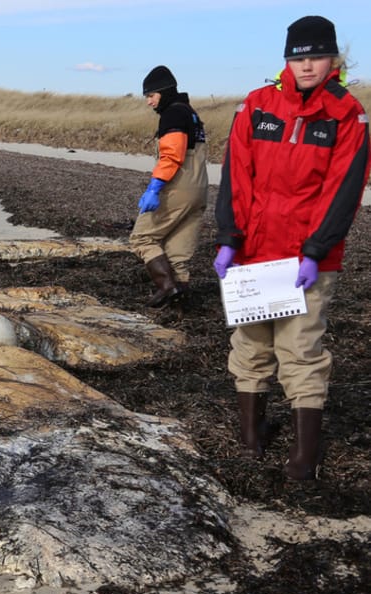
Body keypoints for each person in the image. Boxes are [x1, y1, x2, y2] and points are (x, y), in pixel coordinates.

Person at [213, 15, 371, 480]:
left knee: (301, 349)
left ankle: (303, 457)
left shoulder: (347, 115)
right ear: (287, 60)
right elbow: (237, 178)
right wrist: (228, 239)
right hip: (253, 252)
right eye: (297, 57)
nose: (306, 66)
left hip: (307, 258)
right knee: (250, 345)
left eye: (316, 57)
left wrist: (316, 251)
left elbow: (343, 191)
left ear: (333, 60)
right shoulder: (255, 107)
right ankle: (252, 435)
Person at [130, 65, 209, 307]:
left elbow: (172, 155)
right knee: (178, 249)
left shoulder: (173, 114)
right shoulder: (191, 113)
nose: (149, 102)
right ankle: (180, 299)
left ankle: (166, 286)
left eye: (151, 96)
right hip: (200, 188)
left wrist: (155, 187)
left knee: (141, 238)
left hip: (178, 187)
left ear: (164, 92)